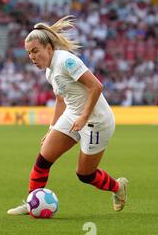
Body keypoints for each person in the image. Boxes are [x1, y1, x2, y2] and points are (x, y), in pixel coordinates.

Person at [7, 16, 128, 215]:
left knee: (84, 174)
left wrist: (84, 117)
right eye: (29, 53)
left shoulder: (66, 61)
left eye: (35, 51)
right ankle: (32, 203)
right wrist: (52, 128)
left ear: (48, 47)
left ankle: (117, 187)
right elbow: (61, 99)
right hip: (73, 115)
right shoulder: (49, 71)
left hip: (96, 121)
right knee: (43, 159)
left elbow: (96, 86)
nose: (32, 57)